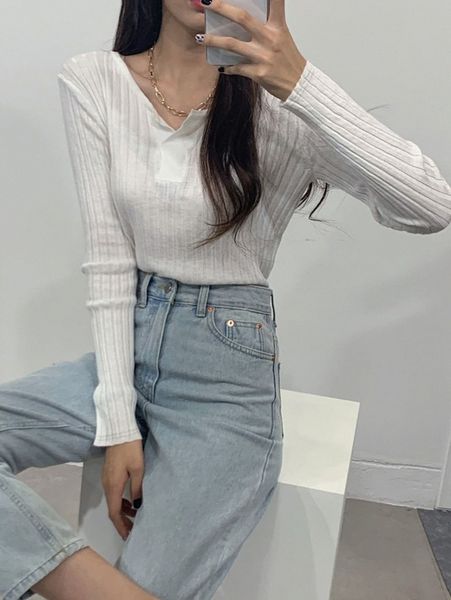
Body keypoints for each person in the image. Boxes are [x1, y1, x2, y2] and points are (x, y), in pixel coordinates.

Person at [2, 0, 451, 599]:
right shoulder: (96, 79)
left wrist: (300, 81)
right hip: (130, 347)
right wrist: (119, 423)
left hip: (225, 379)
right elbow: (109, 260)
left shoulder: (280, 109)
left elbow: (430, 206)